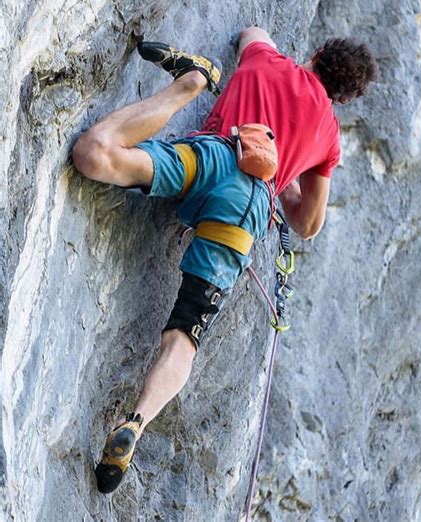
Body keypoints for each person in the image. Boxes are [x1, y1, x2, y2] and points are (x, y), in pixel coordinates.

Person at [72, 27, 377, 493]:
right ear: (343, 97)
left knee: (93, 155)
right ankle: (137, 419)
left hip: (212, 157)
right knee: (185, 336)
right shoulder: (329, 137)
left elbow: (252, 33)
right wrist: (290, 170)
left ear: (315, 54)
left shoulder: (265, 60)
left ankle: (186, 86)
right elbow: (308, 223)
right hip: (248, 207)